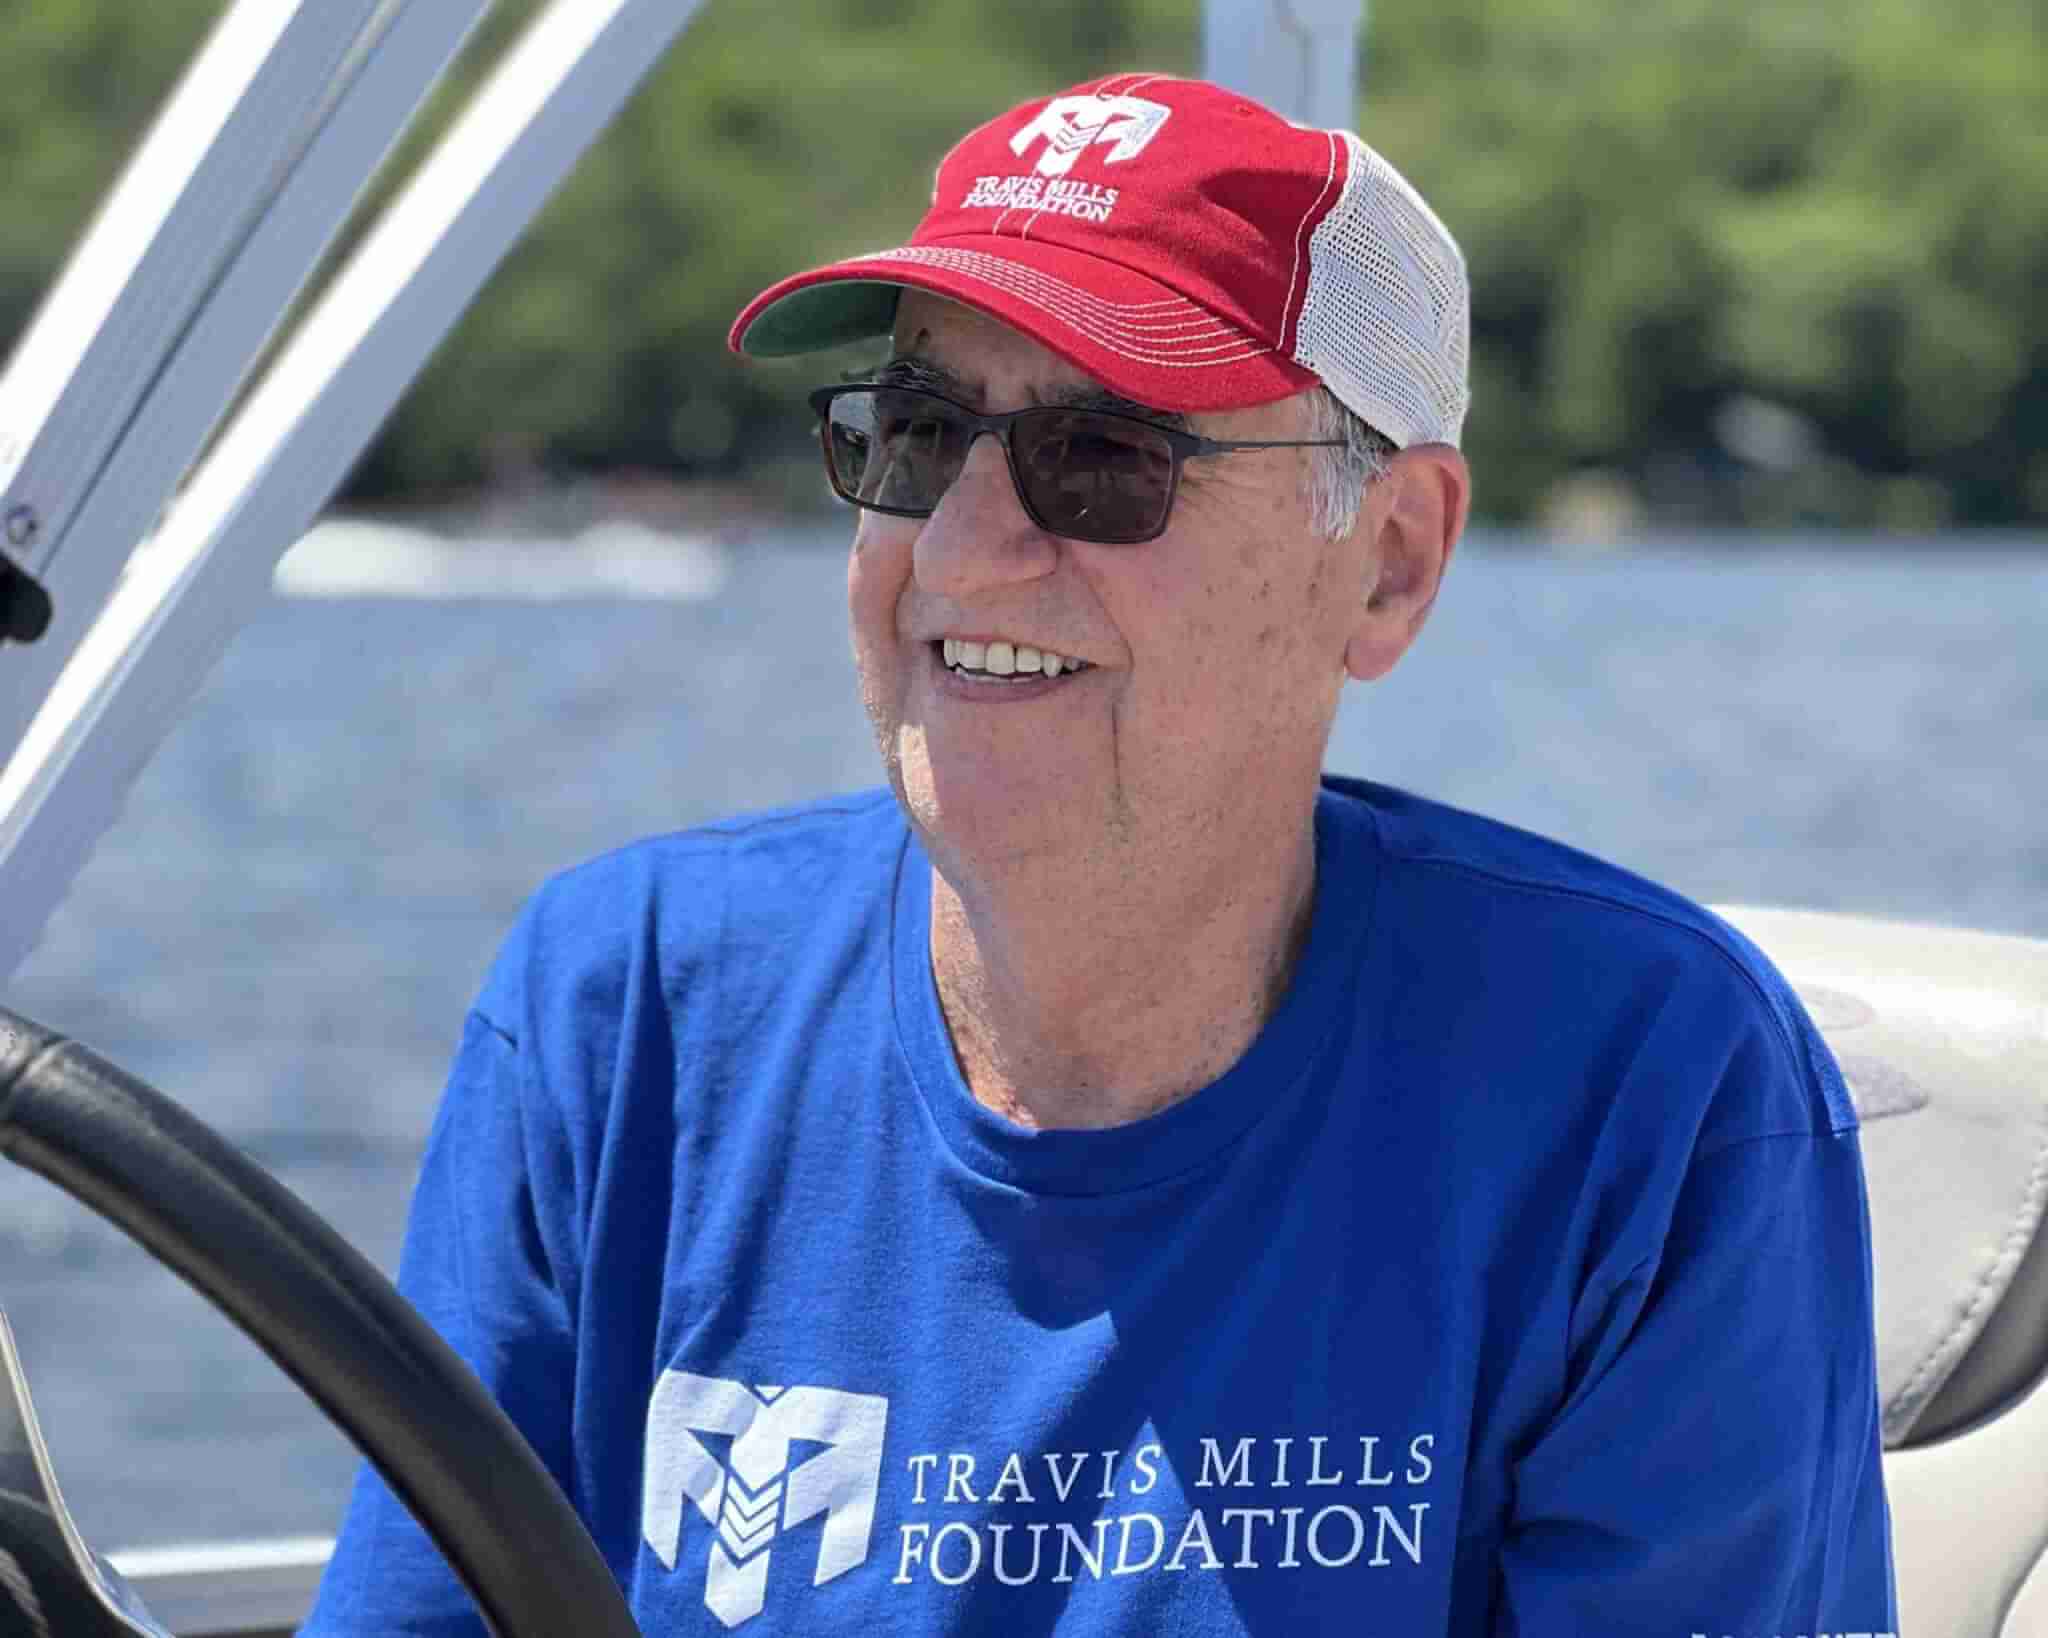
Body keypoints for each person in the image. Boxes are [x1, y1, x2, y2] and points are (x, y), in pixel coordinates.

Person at [304, 73, 1896, 1635]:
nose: (962, 546)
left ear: (1392, 563)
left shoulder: (1651, 1099)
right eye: (918, 435)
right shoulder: (621, 1011)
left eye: (1105, 455)